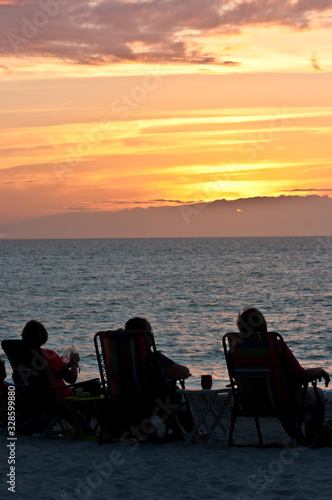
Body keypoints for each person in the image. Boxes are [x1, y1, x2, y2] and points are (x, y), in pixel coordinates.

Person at [236, 307, 330, 445]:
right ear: (264, 325)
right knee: (317, 393)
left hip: (252, 402)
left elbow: (236, 376)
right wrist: (321, 371)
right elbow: (301, 375)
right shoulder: (276, 345)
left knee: (280, 396)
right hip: (280, 401)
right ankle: (311, 438)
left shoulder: (236, 348)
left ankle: (298, 438)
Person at [124, 317, 195, 440]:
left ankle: (150, 431)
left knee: (160, 393)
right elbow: (183, 373)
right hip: (155, 401)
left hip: (128, 399)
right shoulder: (154, 358)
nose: (152, 335)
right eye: (150, 332)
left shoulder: (119, 360)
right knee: (172, 393)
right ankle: (190, 431)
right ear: (144, 336)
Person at [21, 319, 80, 402]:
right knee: (94, 387)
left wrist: (62, 365)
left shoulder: (19, 357)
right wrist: (74, 362)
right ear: (43, 336)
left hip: (33, 399)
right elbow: (72, 379)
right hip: (58, 398)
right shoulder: (49, 355)